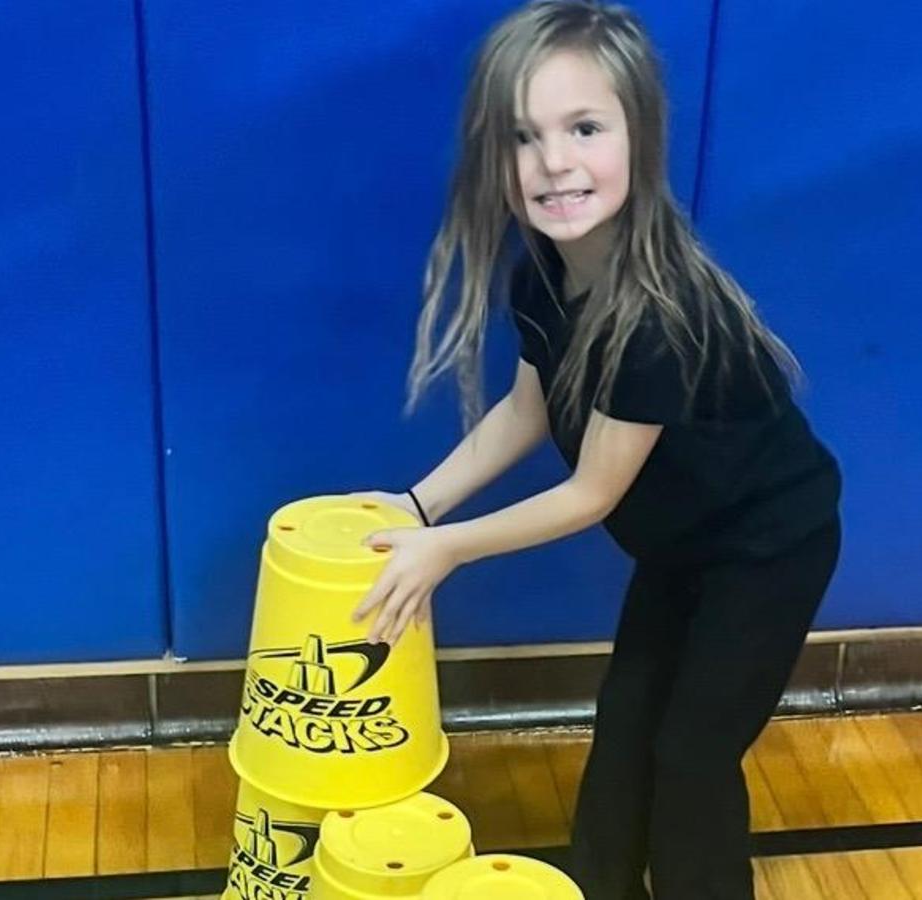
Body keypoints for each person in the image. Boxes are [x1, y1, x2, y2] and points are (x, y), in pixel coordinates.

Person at [350, 3, 841, 896]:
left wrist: (447, 550)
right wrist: (415, 506)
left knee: (691, 756)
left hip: (767, 552)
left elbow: (591, 494)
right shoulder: (541, 268)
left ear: (639, 137)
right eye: (523, 137)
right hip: (681, 548)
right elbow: (528, 409)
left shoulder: (659, 316)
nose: (554, 164)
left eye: (584, 128)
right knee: (627, 729)